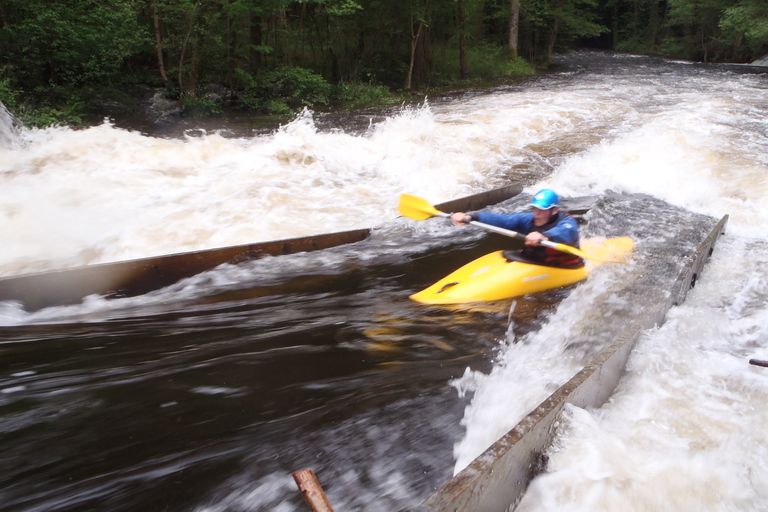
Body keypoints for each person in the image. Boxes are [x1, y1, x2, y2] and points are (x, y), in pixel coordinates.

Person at [449, 188, 583, 268]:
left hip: (563, 266)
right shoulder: (529, 219)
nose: (536, 213)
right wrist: (470, 216)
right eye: (534, 209)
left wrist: (544, 236)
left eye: (541, 210)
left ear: (554, 211)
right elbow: (503, 220)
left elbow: (566, 232)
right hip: (534, 260)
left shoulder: (567, 223)